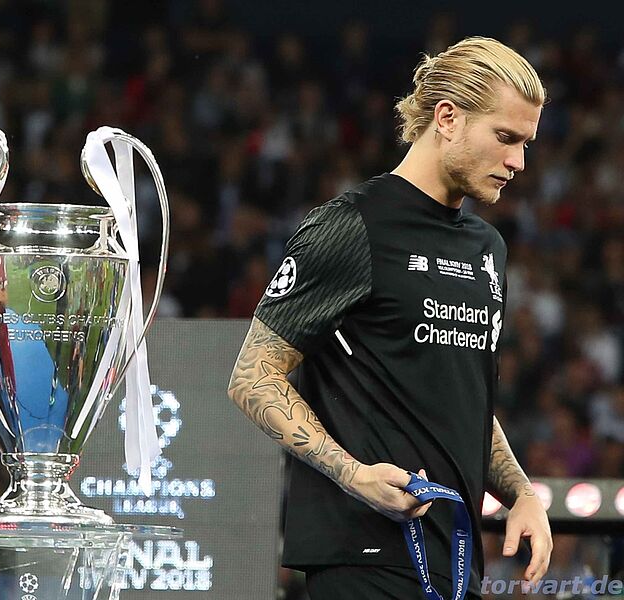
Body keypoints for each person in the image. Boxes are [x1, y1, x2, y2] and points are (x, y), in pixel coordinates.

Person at [228, 37, 552, 599]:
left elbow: (463, 396)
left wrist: (521, 493)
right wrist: (354, 475)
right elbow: (252, 376)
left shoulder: (487, 248)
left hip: (455, 560)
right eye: (506, 138)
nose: (518, 162)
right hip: (363, 558)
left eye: (526, 144)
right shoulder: (352, 226)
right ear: (447, 118)